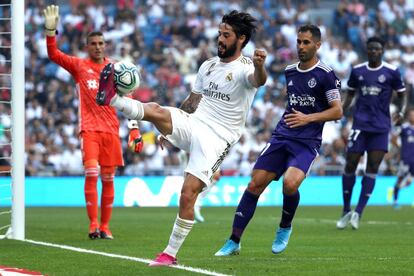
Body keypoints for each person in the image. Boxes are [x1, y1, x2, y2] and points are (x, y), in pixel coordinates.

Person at [96, 10, 267, 265]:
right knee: (156, 110)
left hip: (218, 138)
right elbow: (192, 101)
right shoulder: (208, 65)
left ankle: (169, 254)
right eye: (219, 33)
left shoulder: (246, 69)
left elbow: (258, 80)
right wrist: (169, 130)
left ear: (241, 39)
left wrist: (261, 65)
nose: (220, 39)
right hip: (195, 122)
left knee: (188, 195)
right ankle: (112, 98)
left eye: (226, 35)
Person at [214, 24, 343, 256]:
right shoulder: (290, 71)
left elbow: (337, 111)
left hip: (307, 141)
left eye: (306, 42)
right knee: (254, 184)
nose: (301, 46)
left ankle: (284, 227)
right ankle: (234, 240)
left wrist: (308, 118)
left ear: (318, 45)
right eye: (299, 42)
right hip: (282, 135)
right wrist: (260, 66)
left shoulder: (326, 74)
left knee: (290, 184)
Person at [43, 5, 143, 240]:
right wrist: (50, 31)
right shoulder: (79, 66)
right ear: (87, 46)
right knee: (91, 173)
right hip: (89, 129)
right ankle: (93, 225)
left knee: (108, 179)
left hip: (111, 131)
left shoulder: (116, 69)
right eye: (94, 44)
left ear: (105, 45)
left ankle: (106, 227)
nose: (98, 47)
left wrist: (134, 130)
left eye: (101, 43)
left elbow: (129, 99)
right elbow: (53, 54)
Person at [336, 36, 406, 230]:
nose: (373, 52)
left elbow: (402, 94)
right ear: (367, 51)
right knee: (350, 163)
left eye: (377, 49)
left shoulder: (392, 72)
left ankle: (358, 212)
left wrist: (400, 111)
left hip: (381, 127)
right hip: (360, 125)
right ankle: (345, 210)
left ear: (382, 50)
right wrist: (341, 109)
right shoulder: (358, 71)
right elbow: (350, 93)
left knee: (372, 168)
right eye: (370, 49)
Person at [392, 109, 414, 209]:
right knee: (400, 178)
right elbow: (393, 138)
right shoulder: (404, 128)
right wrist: (400, 147)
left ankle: (397, 190)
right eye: (411, 115)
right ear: (408, 116)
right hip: (405, 159)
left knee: (409, 182)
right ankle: (395, 201)